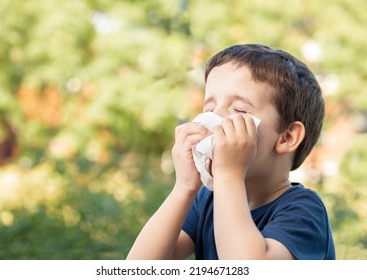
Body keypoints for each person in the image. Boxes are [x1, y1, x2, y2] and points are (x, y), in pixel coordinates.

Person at [126, 44, 336, 260]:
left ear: (287, 137)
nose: (214, 120)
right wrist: (184, 187)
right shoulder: (208, 199)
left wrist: (228, 173)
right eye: (209, 109)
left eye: (239, 110)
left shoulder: (304, 211)